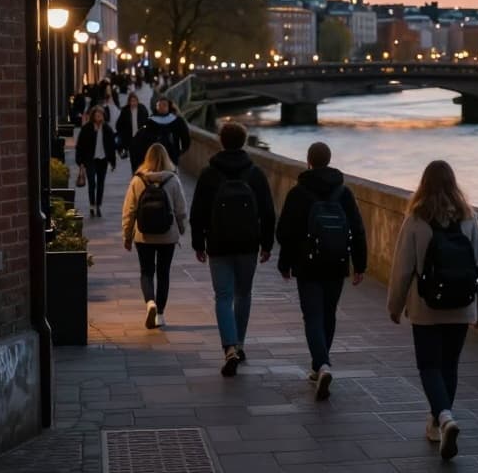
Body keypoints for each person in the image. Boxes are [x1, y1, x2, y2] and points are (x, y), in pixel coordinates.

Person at [386, 160, 478, 461]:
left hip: (426, 307)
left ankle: (444, 418)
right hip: (462, 305)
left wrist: (395, 306)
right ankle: (438, 423)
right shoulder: (469, 218)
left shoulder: (417, 219)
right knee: (449, 366)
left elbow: (402, 269)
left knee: (429, 367)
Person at [276, 142, 368, 400]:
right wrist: (360, 264)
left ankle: (322, 364)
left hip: (307, 263)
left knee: (312, 316)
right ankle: (321, 363)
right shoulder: (344, 193)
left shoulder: (298, 193)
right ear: (329, 161)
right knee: (328, 314)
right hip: (337, 262)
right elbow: (358, 230)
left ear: (308, 161)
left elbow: (286, 233)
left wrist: (285, 263)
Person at [190, 122, 277, 377]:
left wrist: (198, 243)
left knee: (223, 296)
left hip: (218, 243)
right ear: (244, 141)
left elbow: (198, 212)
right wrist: (267, 244)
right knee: (244, 293)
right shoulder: (255, 173)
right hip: (248, 243)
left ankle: (228, 346)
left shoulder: (209, 173)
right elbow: (268, 212)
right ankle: (239, 343)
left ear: (220, 141)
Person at [121, 143, 189, 329]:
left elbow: (129, 210)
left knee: (146, 271)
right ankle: (160, 314)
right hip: (167, 234)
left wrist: (127, 235)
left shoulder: (138, 180)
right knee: (163, 273)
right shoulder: (173, 180)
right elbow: (181, 209)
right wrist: (181, 228)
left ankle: (149, 302)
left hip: (143, 235)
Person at [75, 106, 116, 219]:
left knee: (101, 184)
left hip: (103, 160)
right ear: (93, 116)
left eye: (101, 115)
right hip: (90, 160)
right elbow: (80, 146)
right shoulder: (87, 128)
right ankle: (92, 205)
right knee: (92, 183)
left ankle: (98, 205)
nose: (99, 117)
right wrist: (80, 162)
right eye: (97, 115)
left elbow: (112, 146)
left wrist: (112, 162)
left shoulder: (107, 129)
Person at [139, 96, 191, 167]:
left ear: (168, 107)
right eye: (159, 105)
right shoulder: (150, 121)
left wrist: (181, 151)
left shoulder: (177, 121)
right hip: (155, 155)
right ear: (156, 107)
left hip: (172, 155)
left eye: (164, 105)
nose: (161, 107)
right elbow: (143, 138)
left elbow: (185, 136)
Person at [115, 92, 150, 173]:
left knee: (141, 160)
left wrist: (145, 132)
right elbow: (118, 125)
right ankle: (135, 176)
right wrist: (123, 134)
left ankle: (141, 176)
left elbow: (147, 122)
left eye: (135, 101)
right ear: (129, 102)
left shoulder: (142, 109)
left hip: (141, 139)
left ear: (137, 101)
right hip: (130, 140)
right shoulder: (125, 111)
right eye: (131, 101)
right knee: (133, 160)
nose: (133, 103)